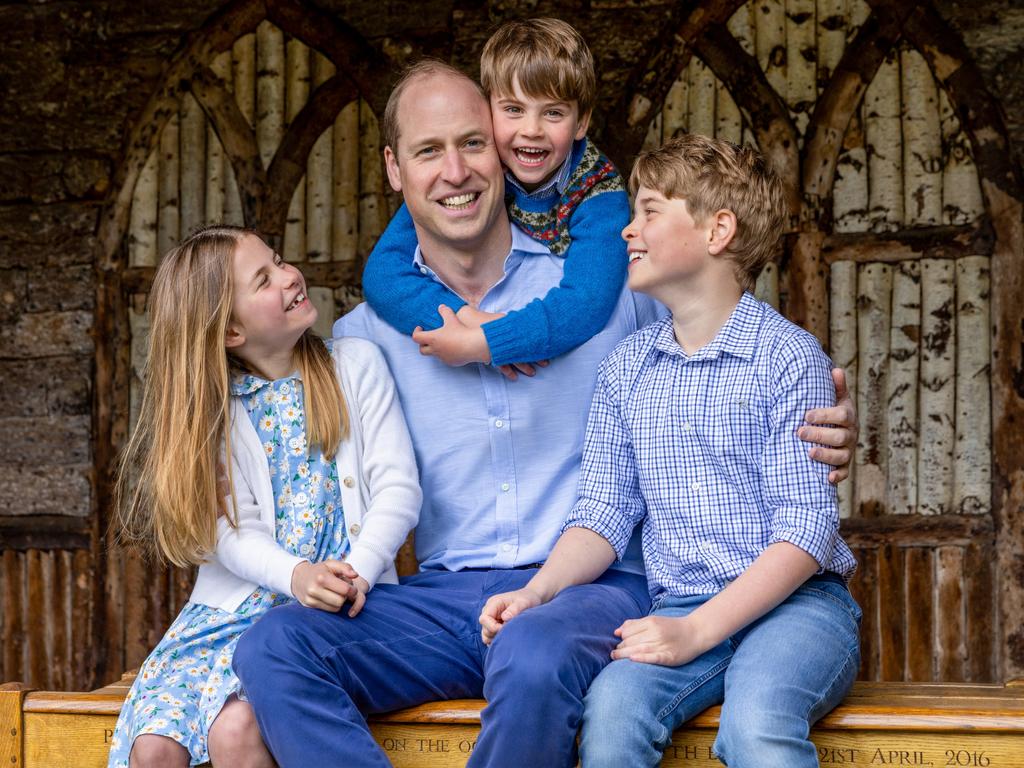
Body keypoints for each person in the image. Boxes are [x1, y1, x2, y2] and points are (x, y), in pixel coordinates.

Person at [232, 63, 857, 768]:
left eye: (473, 143)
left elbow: (724, 351)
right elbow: (262, 406)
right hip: (447, 600)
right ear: (394, 169)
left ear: (503, 151)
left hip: (596, 589)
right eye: (428, 151)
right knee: (274, 646)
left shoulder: (608, 292)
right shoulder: (363, 338)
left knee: (532, 653)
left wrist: (828, 419)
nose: (456, 170)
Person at [479, 135, 861, 768]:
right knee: (611, 717)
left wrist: (696, 632)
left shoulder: (787, 358)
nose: (629, 229)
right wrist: (536, 592)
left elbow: (807, 529)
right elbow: (603, 513)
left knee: (756, 723)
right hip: (681, 603)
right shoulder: (626, 369)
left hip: (799, 610)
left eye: (650, 211)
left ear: (718, 230)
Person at [107, 225, 421, 768]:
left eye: (278, 261)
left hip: (338, 607)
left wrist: (359, 571)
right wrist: (295, 574)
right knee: (153, 748)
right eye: (264, 278)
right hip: (228, 616)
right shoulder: (214, 412)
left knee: (237, 731)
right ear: (230, 330)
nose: (289, 275)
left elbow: (398, 487)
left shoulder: (356, 366)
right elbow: (230, 533)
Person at [362, 19, 628, 373]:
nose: (531, 130)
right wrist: (463, 319)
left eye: (553, 113)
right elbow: (382, 274)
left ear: (581, 124)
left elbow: (588, 302)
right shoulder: (485, 169)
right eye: (513, 110)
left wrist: (492, 341)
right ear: (488, 111)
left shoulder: (600, 192)